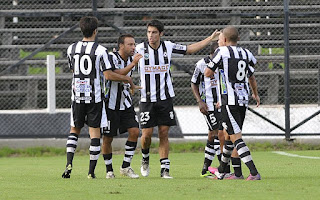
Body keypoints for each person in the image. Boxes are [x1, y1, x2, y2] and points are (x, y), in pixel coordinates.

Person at [136, 19, 220, 178]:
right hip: (146, 99)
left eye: (154, 32)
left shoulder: (168, 46)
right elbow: (124, 55)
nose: (150, 36)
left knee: (163, 133)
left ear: (161, 33)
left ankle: (164, 169)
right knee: (146, 135)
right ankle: (145, 158)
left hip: (165, 98)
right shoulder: (140, 48)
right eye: (148, 32)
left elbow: (189, 49)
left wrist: (210, 39)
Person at [61, 16, 136, 179]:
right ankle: (91, 172)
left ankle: (68, 165)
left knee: (74, 130)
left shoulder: (71, 48)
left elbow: (73, 70)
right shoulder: (101, 50)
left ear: (81, 29)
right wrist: (128, 78)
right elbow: (108, 75)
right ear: (95, 31)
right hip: (94, 98)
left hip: (77, 96)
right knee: (95, 133)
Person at [204, 26, 261, 180]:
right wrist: (255, 94)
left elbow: (207, 73)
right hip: (243, 100)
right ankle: (225, 172)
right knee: (229, 137)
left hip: (229, 101)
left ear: (223, 40)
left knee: (235, 137)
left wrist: (220, 70)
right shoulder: (246, 53)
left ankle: (254, 172)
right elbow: (251, 75)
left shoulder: (221, 52)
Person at [191, 42, 243, 179]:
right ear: (212, 54)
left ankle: (206, 168)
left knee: (215, 134)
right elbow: (194, 83)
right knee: (218, 133)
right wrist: (200, 101)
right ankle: (223, 168)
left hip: (223, 104)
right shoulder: (202, 64)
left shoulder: (225, 63)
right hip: (208, 105)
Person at [101, 34, 143, 179]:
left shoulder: (132, 59)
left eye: (134, 44)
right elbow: (112, 75)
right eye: (130, 44)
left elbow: (124, 77)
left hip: (125, 103)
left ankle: (125, 166)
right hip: (110, 104)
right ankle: (109, 170)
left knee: (135, 131)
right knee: (108, 137)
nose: (133, 47)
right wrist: (130, 72)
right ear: (121, 46)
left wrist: (131, 84)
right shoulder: (111, 57)